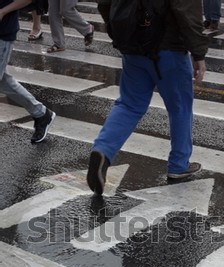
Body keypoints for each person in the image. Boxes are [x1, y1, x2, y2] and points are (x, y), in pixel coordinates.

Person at [87, 0, 208, 195]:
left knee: (129, 105)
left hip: (133, 46)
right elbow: (187, 11)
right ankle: (179, 164)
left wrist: (119, 31)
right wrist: (198, 53)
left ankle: (103, 150)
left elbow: (105, 3)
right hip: (169, 48)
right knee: (180, 107)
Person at [0, 0, 56, 142]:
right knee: (3, 81)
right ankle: (41, 114)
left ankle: (42, 114)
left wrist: (3, 11)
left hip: (2, 32)